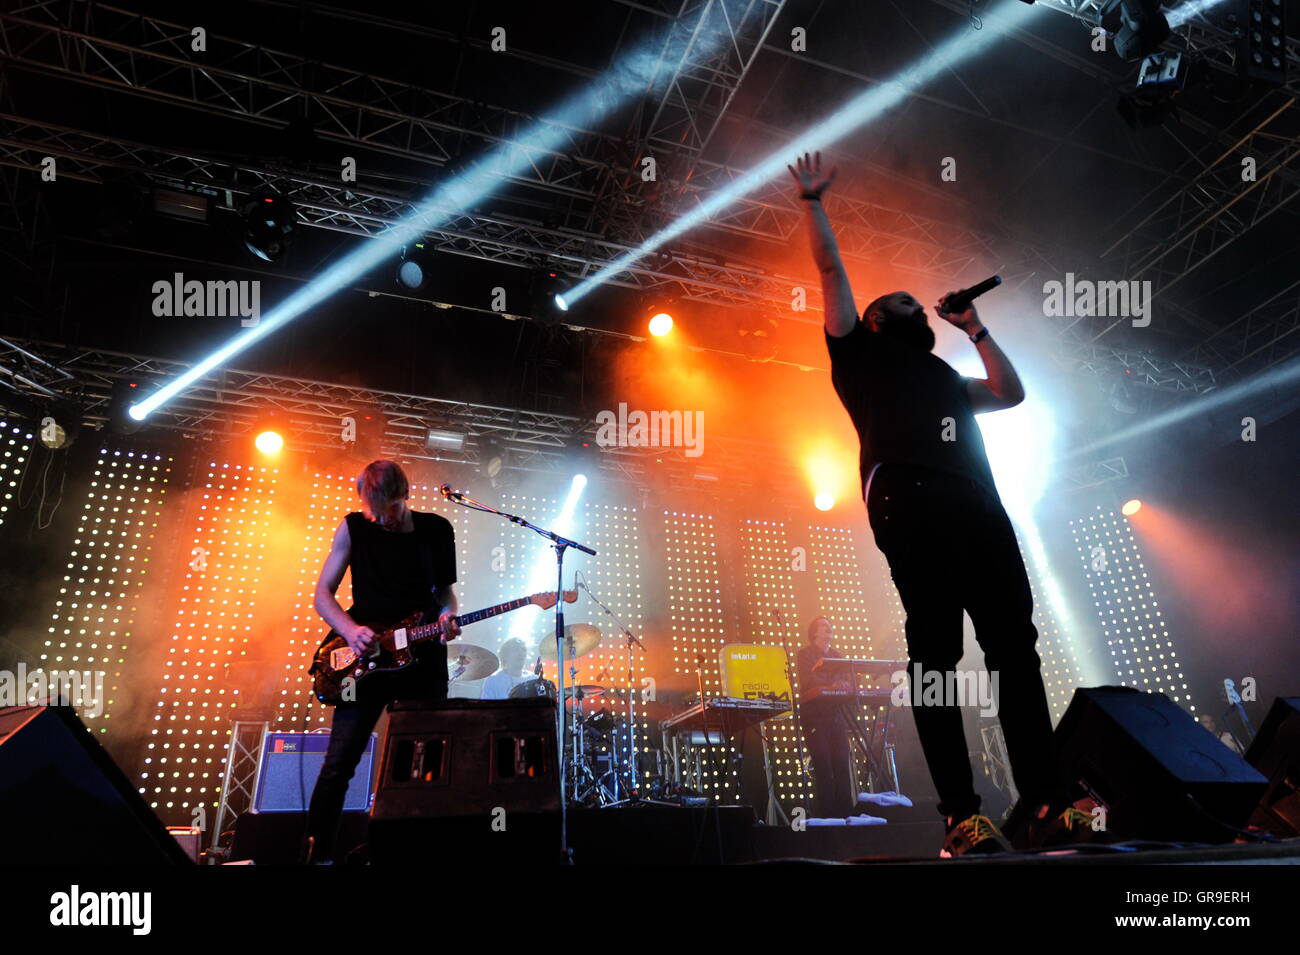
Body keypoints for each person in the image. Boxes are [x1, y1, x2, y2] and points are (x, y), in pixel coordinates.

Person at [789, 151, 1087, 856]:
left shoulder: (949, 375)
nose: (911, 301)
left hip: (979, 508)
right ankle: (961, 814)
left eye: (916, 303)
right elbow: (832, 272)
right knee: (935, 659)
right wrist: (811, 204)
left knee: (1016, 652)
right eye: (899, 301)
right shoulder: (856, 356)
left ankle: (1045, 801)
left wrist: (975, 328)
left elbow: (1011, 393)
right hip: (909, 500)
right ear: (871, 321)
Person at [304, 459, 460, 864]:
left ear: (403, 496)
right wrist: (351, 630)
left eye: (385, 509)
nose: (377, 518)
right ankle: (318, 855)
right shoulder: (354, 526)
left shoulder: (436, 530)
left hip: (422, 657)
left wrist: (446, 617)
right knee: (339, 764)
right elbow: (323, 594)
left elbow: (445, 594)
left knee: (425, 762)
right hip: (366, 661)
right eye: (370, 509)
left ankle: (409, 853)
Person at [797, 617, 854, 818]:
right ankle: (828, 817)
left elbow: (846, 679)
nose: (829, 626)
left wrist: (844, 686)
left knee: (841, 766)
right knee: (824, 768)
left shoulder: (837, 656)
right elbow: (807, 680)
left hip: (835, 716)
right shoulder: (804, 655)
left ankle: (846, 814)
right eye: (824, 624)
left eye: (830, 624)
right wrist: (830, 687)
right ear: (814, 632)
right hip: (814, 717)